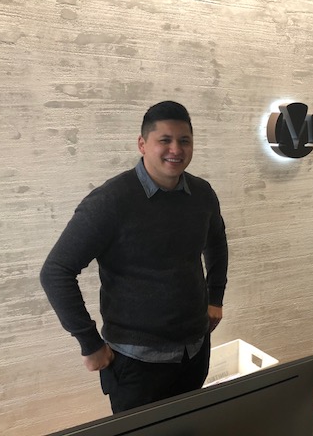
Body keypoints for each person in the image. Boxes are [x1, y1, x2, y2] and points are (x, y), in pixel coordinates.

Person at [40, 101, 229, 414]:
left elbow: (217, 243)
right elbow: (56, 272)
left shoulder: (203, 194)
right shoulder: (111, 201)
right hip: (136, 364)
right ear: (142, 144)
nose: (175, 149)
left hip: (193, 351)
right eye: (164, 140)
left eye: (184, 140)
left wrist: (216, 297)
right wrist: (90, 343)